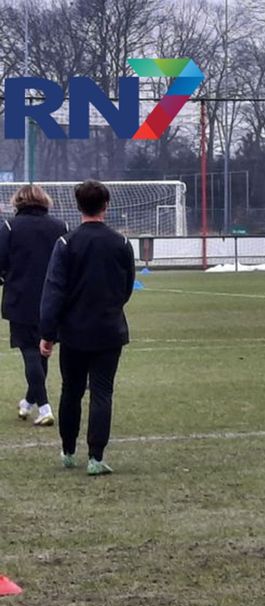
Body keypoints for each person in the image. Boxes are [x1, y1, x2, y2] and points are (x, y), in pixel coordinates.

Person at [39, 180, 136, 475]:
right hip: (108, 329)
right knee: (102, 392)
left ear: (78, 206)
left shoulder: (67, 243)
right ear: (106, 205)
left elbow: (54, 290)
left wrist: (48, 333)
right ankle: (96, 456)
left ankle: (68, 450)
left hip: (74, 331)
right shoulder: (121, 243)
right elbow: (127, 286)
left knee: (71, 390)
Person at [0, 185, 68, 426]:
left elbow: (1, 262)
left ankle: (45, 407)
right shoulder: (60, 227)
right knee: (42, 352)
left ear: (18, 202)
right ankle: (28, 402)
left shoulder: (10, 227)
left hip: (20, 299)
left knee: (30, 352)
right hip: (53, 299)